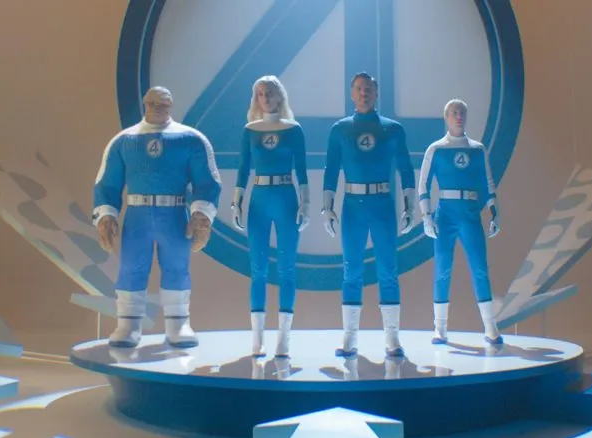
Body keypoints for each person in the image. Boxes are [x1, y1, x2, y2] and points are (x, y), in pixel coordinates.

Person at [93, 86, 222, 348]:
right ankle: (127, 325)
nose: (157, 108)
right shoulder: (124, 141)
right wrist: (106, 214)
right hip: (137, 215)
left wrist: (201, 215)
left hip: (174, 213)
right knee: (131, 266)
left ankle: (178, 324)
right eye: (152, 103)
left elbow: (207, 181)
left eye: (163, 104)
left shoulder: (190, 139)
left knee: (177, 266)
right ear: (145, 104)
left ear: (170, 106)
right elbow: (107, 183)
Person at [322, 72, 416, 358]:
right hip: (353, 205)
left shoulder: (392, 129)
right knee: (352, 271)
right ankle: (349, 338)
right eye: (359, 89)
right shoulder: (340, 129)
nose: (364, 93)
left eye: (369, 89)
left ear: (376, 93)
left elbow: (406, 168)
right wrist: (328, 206)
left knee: (388, 270)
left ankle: (393, 338)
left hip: (382, 204)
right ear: (352, 93)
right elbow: (331, 170)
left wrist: (409, 205)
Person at [233, 75, 309, 358]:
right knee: (259, 270)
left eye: (270, 93)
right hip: (259, 199)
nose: (265, 98)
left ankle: (283, 340)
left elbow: (301, 170)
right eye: (261, 94)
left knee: (287, 269)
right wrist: (237, 202)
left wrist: (306, 203)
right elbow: (243, 169)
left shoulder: (293, 130)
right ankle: (257, 340)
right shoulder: (250, 130)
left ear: (279, 96)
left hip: (286, 197)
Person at [417, 98, 503, 346]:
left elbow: (487, 182)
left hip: (470, 214)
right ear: (446, 117)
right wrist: (426, 216)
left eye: (462, 112)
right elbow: (423, 185)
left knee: (480, 268)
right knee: (442, 269)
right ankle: (440, 328)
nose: (458, 116)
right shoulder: (436, 149)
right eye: (454, 112)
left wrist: (494, 211)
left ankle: (490, 326)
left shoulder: (478, 149)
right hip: (445, 214)